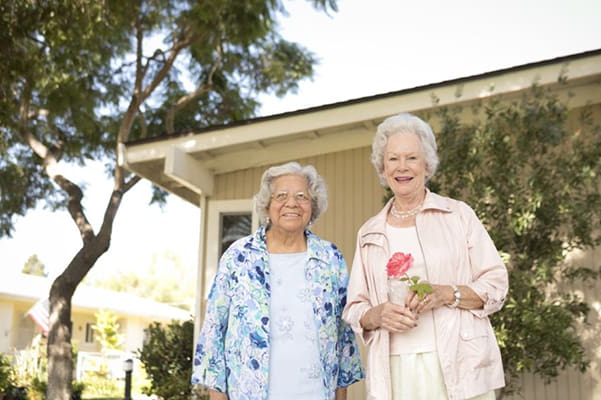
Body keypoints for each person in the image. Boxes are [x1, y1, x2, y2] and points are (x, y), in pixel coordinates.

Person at [342, 113, 508, 400]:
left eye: (412, 158)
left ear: (427, 165)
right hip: (396, 370)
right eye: (393, 159)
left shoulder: (458, 215)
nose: (402, 167)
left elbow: (495, 285)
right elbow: (354, 308)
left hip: (459, 364)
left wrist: (446, 293)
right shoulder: (369, 232)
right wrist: (377, 314)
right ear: (383, 168)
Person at [192, 161, 364, 400]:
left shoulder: (330, 258)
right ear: (267, 205)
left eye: (302, 196)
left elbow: (343, 335)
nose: (291, 203)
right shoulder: (239, 256)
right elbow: (213, 329)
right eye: (281, 195)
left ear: (312, 206)